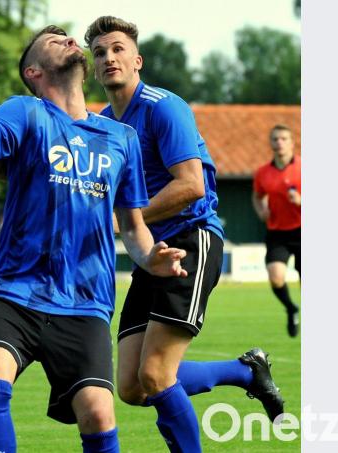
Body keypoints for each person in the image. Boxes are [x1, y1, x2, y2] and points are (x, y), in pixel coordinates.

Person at [0, 27, 189, 453]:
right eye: (54, 42)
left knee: (98, 412)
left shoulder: (121, 138)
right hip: (14, 290)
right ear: (34, 71)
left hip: (85, 300)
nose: (69, 41)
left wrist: (151, 257)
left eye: (69, 38)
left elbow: (131, 225)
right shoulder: (25, 111)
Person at [85, 16, 285, 452]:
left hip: (190, 240)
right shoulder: (102, 124)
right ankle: (245, 371)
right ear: (93, 67)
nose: (108, 58)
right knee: (133, 386)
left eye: (118, 49)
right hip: (151, 252)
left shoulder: (163, 106)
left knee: (156, 375)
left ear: (137, 60)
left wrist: (124, 221)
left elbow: (191, 184)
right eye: (99, 52)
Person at [252, 124, 301, 337]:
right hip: (277, 233)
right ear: (271, 143)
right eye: (275, 139)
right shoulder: (263, 173)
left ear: (292, 142)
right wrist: (261, 209)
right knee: (276, 278)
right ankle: (291, 308)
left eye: (283, 138)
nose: (279, 142)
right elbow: (256, 195)